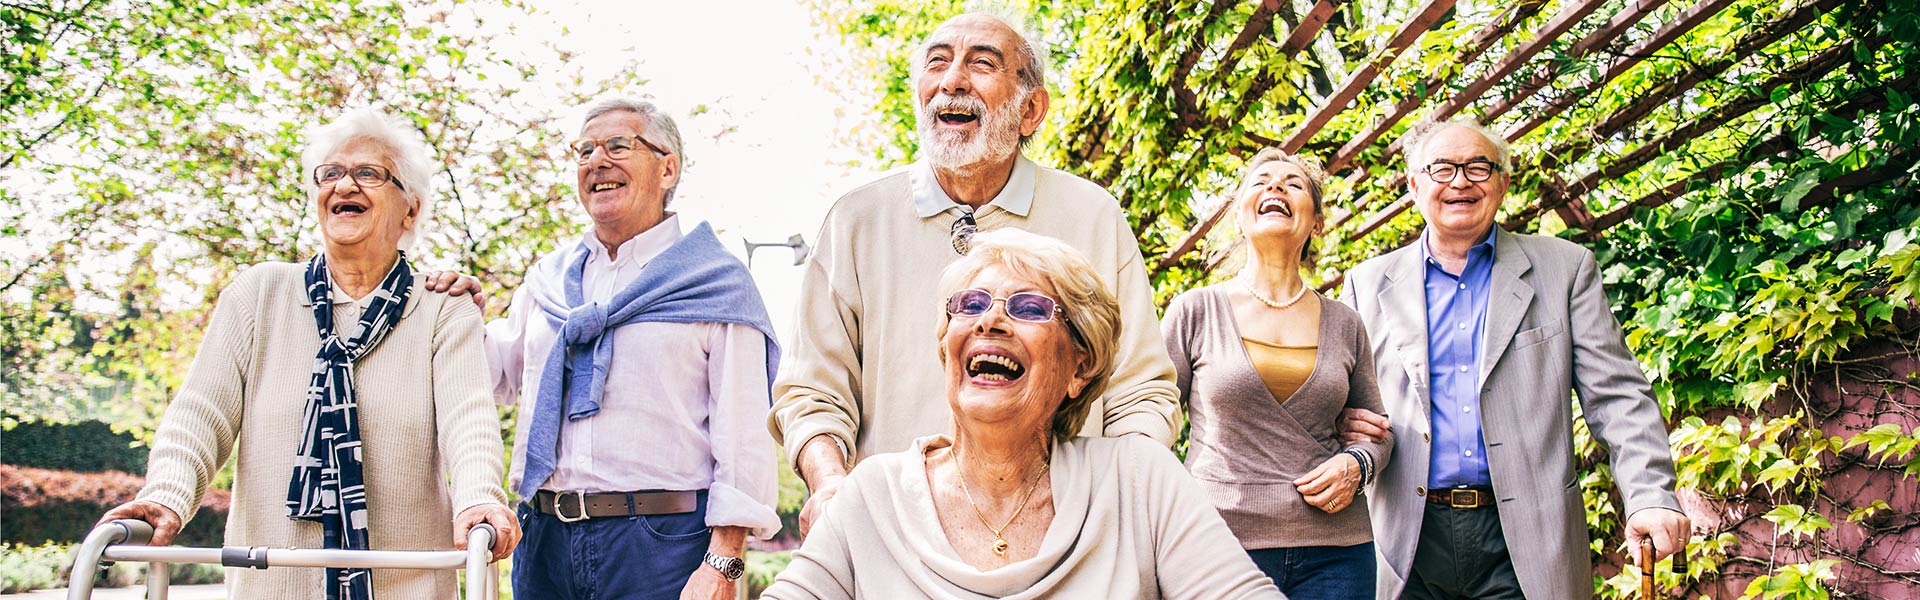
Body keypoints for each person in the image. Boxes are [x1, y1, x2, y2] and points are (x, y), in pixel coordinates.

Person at [769, 12, 1181, 538]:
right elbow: (812, 392)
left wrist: (1121, 497)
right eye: (936, 62)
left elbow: (1139, 390)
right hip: (896, 537)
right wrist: (830, 485)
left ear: (1030, 109)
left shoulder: (1093, 215)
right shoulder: (856, 219)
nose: (952, 80)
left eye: (982, 63)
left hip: (1062, 537)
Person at [96, 109, 518, 599]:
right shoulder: (259, 293)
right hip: (271, 582)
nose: (345, 186)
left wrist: (479, 499)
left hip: (406, 582)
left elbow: (469, 419)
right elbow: (200, 413)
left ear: (411, 210)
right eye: (331, 174)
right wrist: (165, 496)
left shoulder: (443, 307)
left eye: (369, 174)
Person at [762, 229, 1284, 599]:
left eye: (1029, 308)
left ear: (1080, 365)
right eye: (970, 305)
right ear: (948, 349)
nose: (990, 320)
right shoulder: (872, 495)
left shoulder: (1138, 481)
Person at [433, 98, 782, 600]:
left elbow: (744, 431)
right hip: (544, 537)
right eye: (584, 150)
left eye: (619, 145)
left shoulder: (715, 283)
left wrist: (724, 561)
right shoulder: (547, 282)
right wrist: (454, 315)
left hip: (661, 543)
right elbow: (501, 378)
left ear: (668, 168)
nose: (597, 161)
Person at [1337, 119, 1690, 599]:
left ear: (1503, 182)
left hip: (1526, 539)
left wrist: (1650, 494)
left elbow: (1617, 396)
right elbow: (1340, 406)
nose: (1460, 181)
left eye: (1478, 167)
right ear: (1415, 185)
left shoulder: (1565, 269)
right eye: (1442, 169)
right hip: (1404, 541)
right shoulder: (1366, 283)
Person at [1162, 148, 1391, 599]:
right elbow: (1147, 414)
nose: (1275, 187)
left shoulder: (1346, 322)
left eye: (1293, 183)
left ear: (1317, 223)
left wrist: (1358, 464)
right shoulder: (1195, 310)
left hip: (1338, 554)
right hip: (1218, 542)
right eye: (1261, 181)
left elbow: (1376, 430)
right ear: (1239, 217)